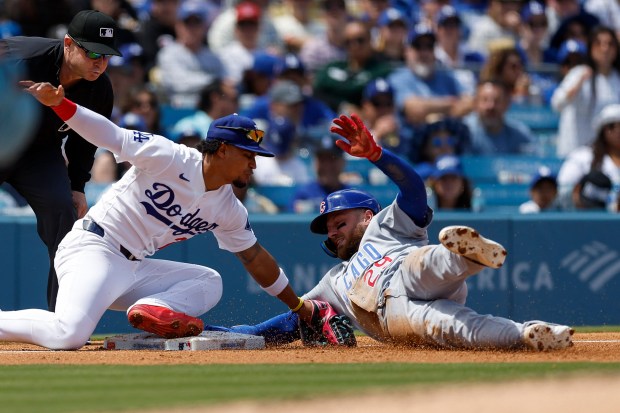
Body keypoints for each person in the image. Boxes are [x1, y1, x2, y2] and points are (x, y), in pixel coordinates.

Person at [211, 113, 574, 351]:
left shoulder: (385, 223)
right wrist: (225, 336)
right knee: (461, 330)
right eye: (328, 228)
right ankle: (532, 334)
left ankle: (465, 253)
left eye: (341, 222)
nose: (333, 232)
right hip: (396, 319)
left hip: (405, 270)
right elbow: (290, 320)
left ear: (367, 215)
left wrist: (377, 156)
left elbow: (415, 191)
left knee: (428, 262)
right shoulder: (331, 283)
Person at [5, 80, 316, 350]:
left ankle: (154, 307)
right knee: (68, 334)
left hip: (133, 269)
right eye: (248, 155)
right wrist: (62, 105)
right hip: (94, 248)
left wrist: (298, 306)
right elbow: (109, 135)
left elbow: (254, 257)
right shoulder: (171, 157)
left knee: (209, 281)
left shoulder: (228, 207)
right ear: (222, 150)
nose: (254, 164)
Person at [0, 10, 121, 312]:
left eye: (106, 55)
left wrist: (77, 186)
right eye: (93, 52)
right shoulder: (24, 57)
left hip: (39, 156)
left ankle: (62, 318)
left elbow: (86, 139)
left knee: (63, 213)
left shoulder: (100, 88)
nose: (100, 62)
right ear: (68, 43)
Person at [551, 25, 620, 157]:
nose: (604, 49)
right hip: (575, 150)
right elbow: (557, 104)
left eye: (610, 44)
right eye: (599, 44)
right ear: (591, 48)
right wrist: (578, 84)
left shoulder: (618, 78)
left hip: (607, 156)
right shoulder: (578, 73)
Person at [556, 103, 620, 209]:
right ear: (602, 130)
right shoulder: (582, 157)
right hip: (588, 218)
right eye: (612, 126)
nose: (618, 131)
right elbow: (563, 190)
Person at [463, 79, 536, 155]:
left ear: (506, 104)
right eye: (485, 100)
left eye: (496, 100)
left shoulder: (520, 134)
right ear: (475, 104)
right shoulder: (463, 133)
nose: (491, 106)